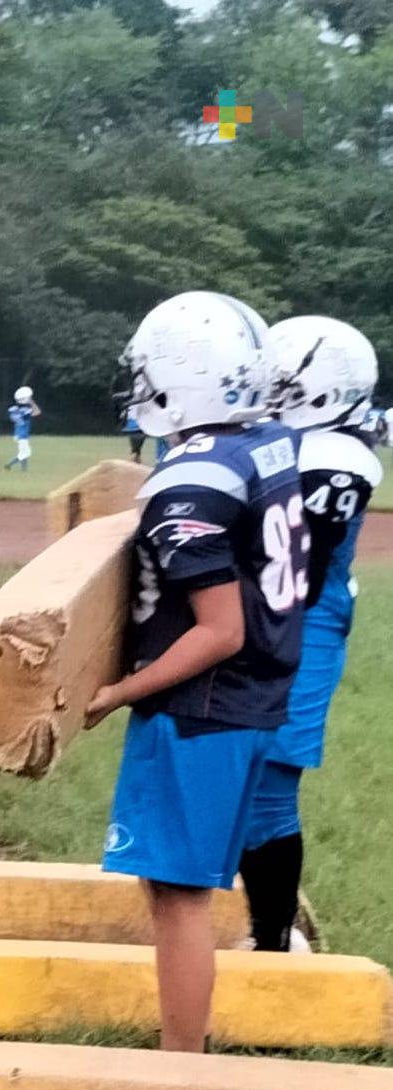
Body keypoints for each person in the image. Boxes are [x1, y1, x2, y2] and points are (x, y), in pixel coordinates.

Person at [84, 292, 306, 1053]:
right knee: (181, 889)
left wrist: (115, 693)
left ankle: (181, 1068)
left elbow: (218, 631)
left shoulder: (191, 486)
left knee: (177, 899)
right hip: (252, 698)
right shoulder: (267, 443)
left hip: (203, 706)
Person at [239, 316, 381, 952]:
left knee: (268, 792)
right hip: (270, 621)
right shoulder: (299, 443)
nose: (271, 395)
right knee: (244, 787)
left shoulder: (338, 458)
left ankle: (273, 943)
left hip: (302, 628)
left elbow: (296, 564)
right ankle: (270, 928)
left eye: (284, 385)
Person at [3, 386, 40, 471]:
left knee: (23, 452)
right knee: (26, 453)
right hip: (23, 434)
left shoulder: (13, 410)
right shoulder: (25, 411)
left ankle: (24, 469)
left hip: (17, 433)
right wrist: (31, 402)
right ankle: (9, 465)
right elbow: (37, 412)